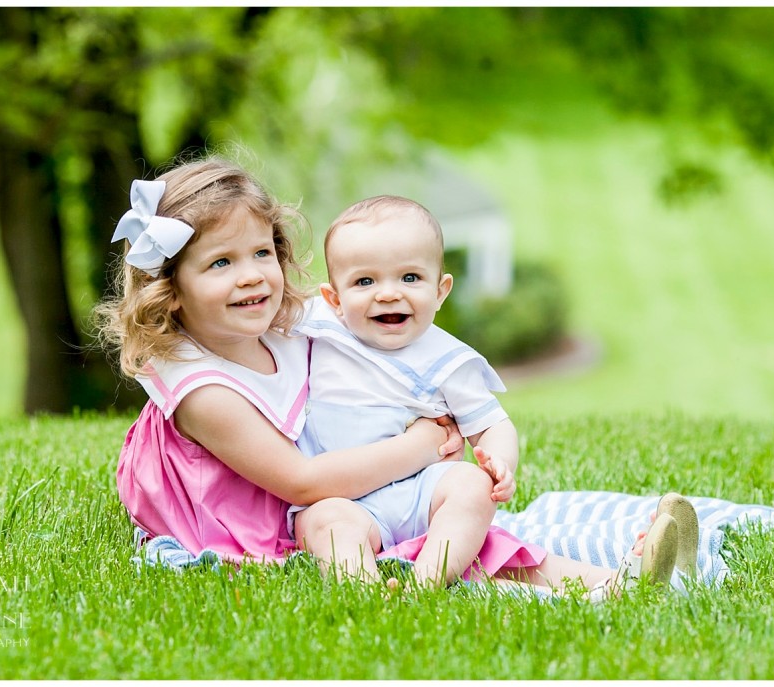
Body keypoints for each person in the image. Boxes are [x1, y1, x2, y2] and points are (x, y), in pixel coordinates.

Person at [97, 155, 693, 601]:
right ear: (169, 291)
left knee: (467, 525)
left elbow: (379, 311)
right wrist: (418, 446)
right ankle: (378, 595)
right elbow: (302, 482)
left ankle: (614, 583)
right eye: (221, 263)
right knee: (349, 527)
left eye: (261, 254)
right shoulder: (198, 388)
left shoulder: (284, 323)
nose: (252, 277)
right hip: (266, 514)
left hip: (345, 484)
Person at [289, 194, 694, 597]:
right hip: (343, 498)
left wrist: (499, 461)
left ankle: (614, 581)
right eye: (365, 281)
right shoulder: (321, 330)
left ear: (441, 290)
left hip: (422, 498)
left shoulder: (448, 361)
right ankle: (364, 590)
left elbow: (492, 424)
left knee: (477, 498)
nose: (388, 293)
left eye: (410, 278)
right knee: (327, 522)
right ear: (334, 299)